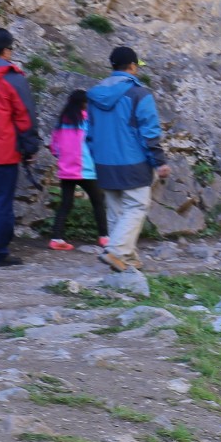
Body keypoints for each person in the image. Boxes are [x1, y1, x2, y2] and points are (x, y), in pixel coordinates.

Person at [85, 47, 168, 273]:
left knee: (116, 211)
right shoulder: (139, 94)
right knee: (137, 206)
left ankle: (126, 260)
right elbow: (149, 132)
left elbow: (89, 133)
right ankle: (116, 251)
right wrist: (159, 161)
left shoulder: (94, 95)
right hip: (133, 162)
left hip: (104, 163)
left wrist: (96, 159)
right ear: (132, 66)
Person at [0, 30, 38, 269]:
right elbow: (25, 116)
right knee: (1, 202)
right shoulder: (12, 77)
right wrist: (30, 147)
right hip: (2, 153)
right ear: (6, 50)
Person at [47, 90, 106, 253]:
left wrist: (64, 159)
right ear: (84, 103)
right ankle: (104, 237)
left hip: (66, 169)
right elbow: (95, 143)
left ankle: (56, 238)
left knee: (66, 203)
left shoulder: (61, 123)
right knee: (98, 201)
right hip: (85, 169)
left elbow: (54, 147)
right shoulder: (87, 120)